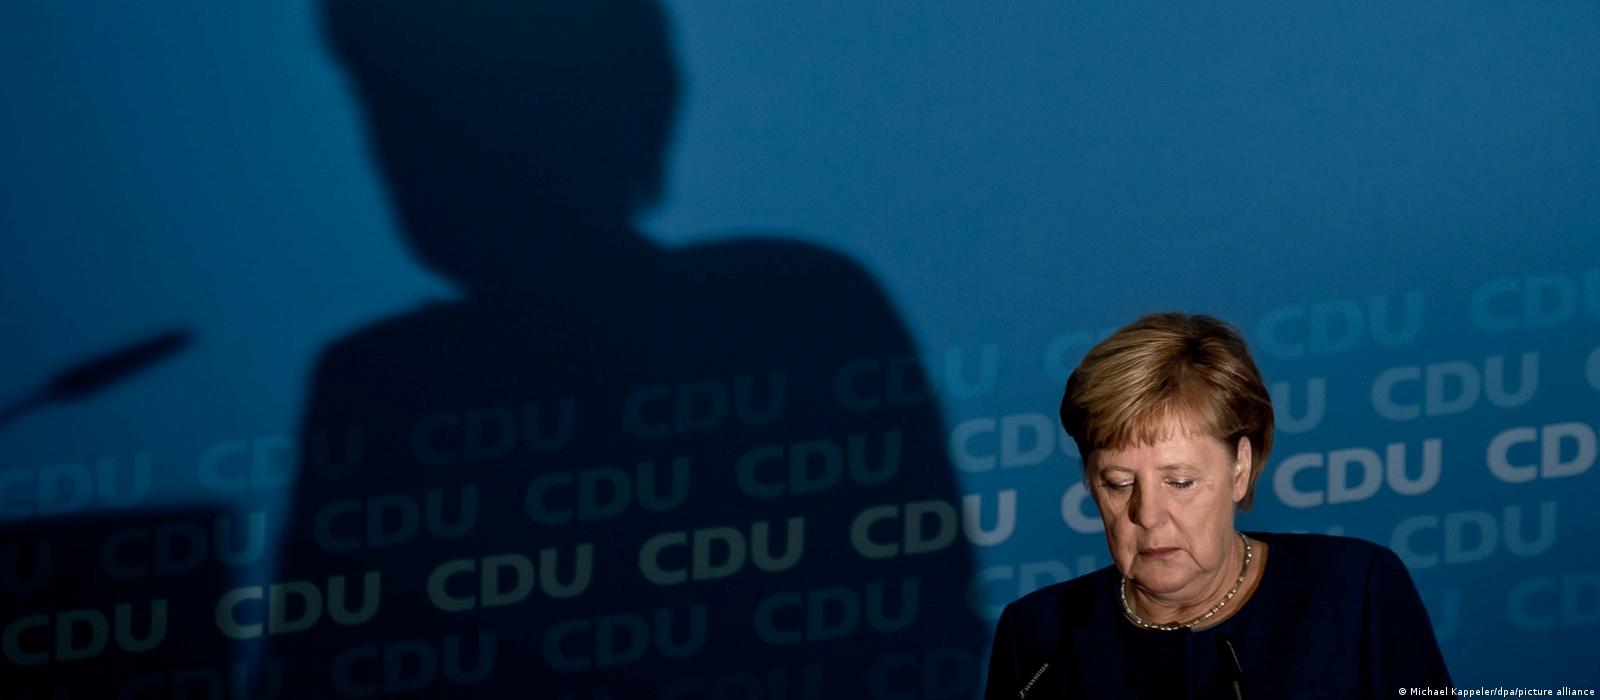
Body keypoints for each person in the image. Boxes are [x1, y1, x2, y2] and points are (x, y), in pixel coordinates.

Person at [984, 311, 1452, 699]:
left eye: (1180, 482)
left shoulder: (1356, 591)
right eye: (1119, 484)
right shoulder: (1037, 637)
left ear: (1240, 468)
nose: (1147, 514)